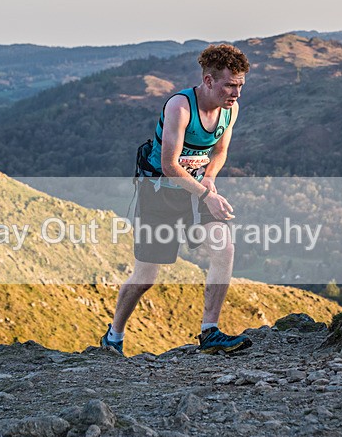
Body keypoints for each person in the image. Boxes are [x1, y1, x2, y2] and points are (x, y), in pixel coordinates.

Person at [101, 44, 252, 356]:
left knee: (224, 248)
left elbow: (220, 152)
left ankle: (209, 331)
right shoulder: (180, 108)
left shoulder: (230, 109)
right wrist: (208, 194)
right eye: (229, 85)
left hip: (196, 191)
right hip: (159, 194)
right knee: (146, 276)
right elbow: (170, 167)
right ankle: (113, 336)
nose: (236, 92)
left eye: (240, 85)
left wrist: (208, 179)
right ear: (209, 81)